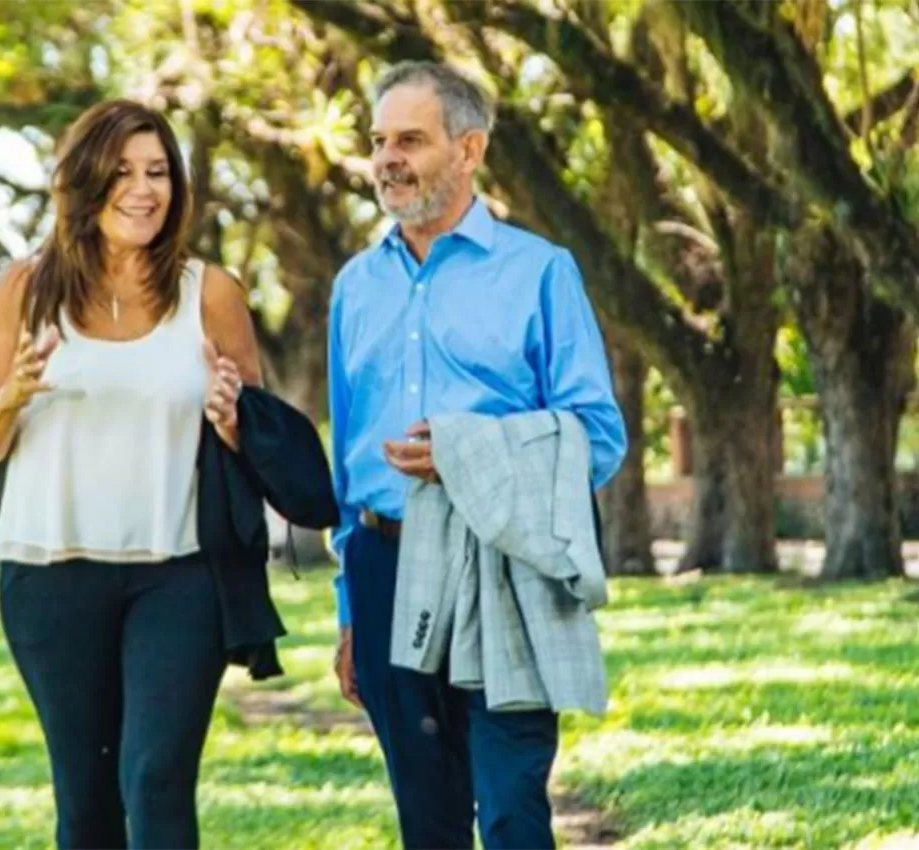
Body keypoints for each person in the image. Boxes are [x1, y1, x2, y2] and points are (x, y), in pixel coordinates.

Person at [327, 61, 628, 849]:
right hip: (385, 564)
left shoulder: (540, 272)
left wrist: (468, 453)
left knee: (510, 803)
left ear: (469, 149)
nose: (388, 158)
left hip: (505, 567)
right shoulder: (354, 287)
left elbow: (598, 435)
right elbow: (346, 463)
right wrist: (349, 609)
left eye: (411, 140)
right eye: (379, 140)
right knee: (426, 818)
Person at [0, 98, 259, 850]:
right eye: (123, 171)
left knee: (156, 781)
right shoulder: (24, 290)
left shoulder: (210, 292)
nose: (144, 188)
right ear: (84, 182)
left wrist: (232, 419)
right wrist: (15, 395)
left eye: (158, 171)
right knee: (87, 803)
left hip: (179, 574)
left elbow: (261, 436)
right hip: (49, 577)